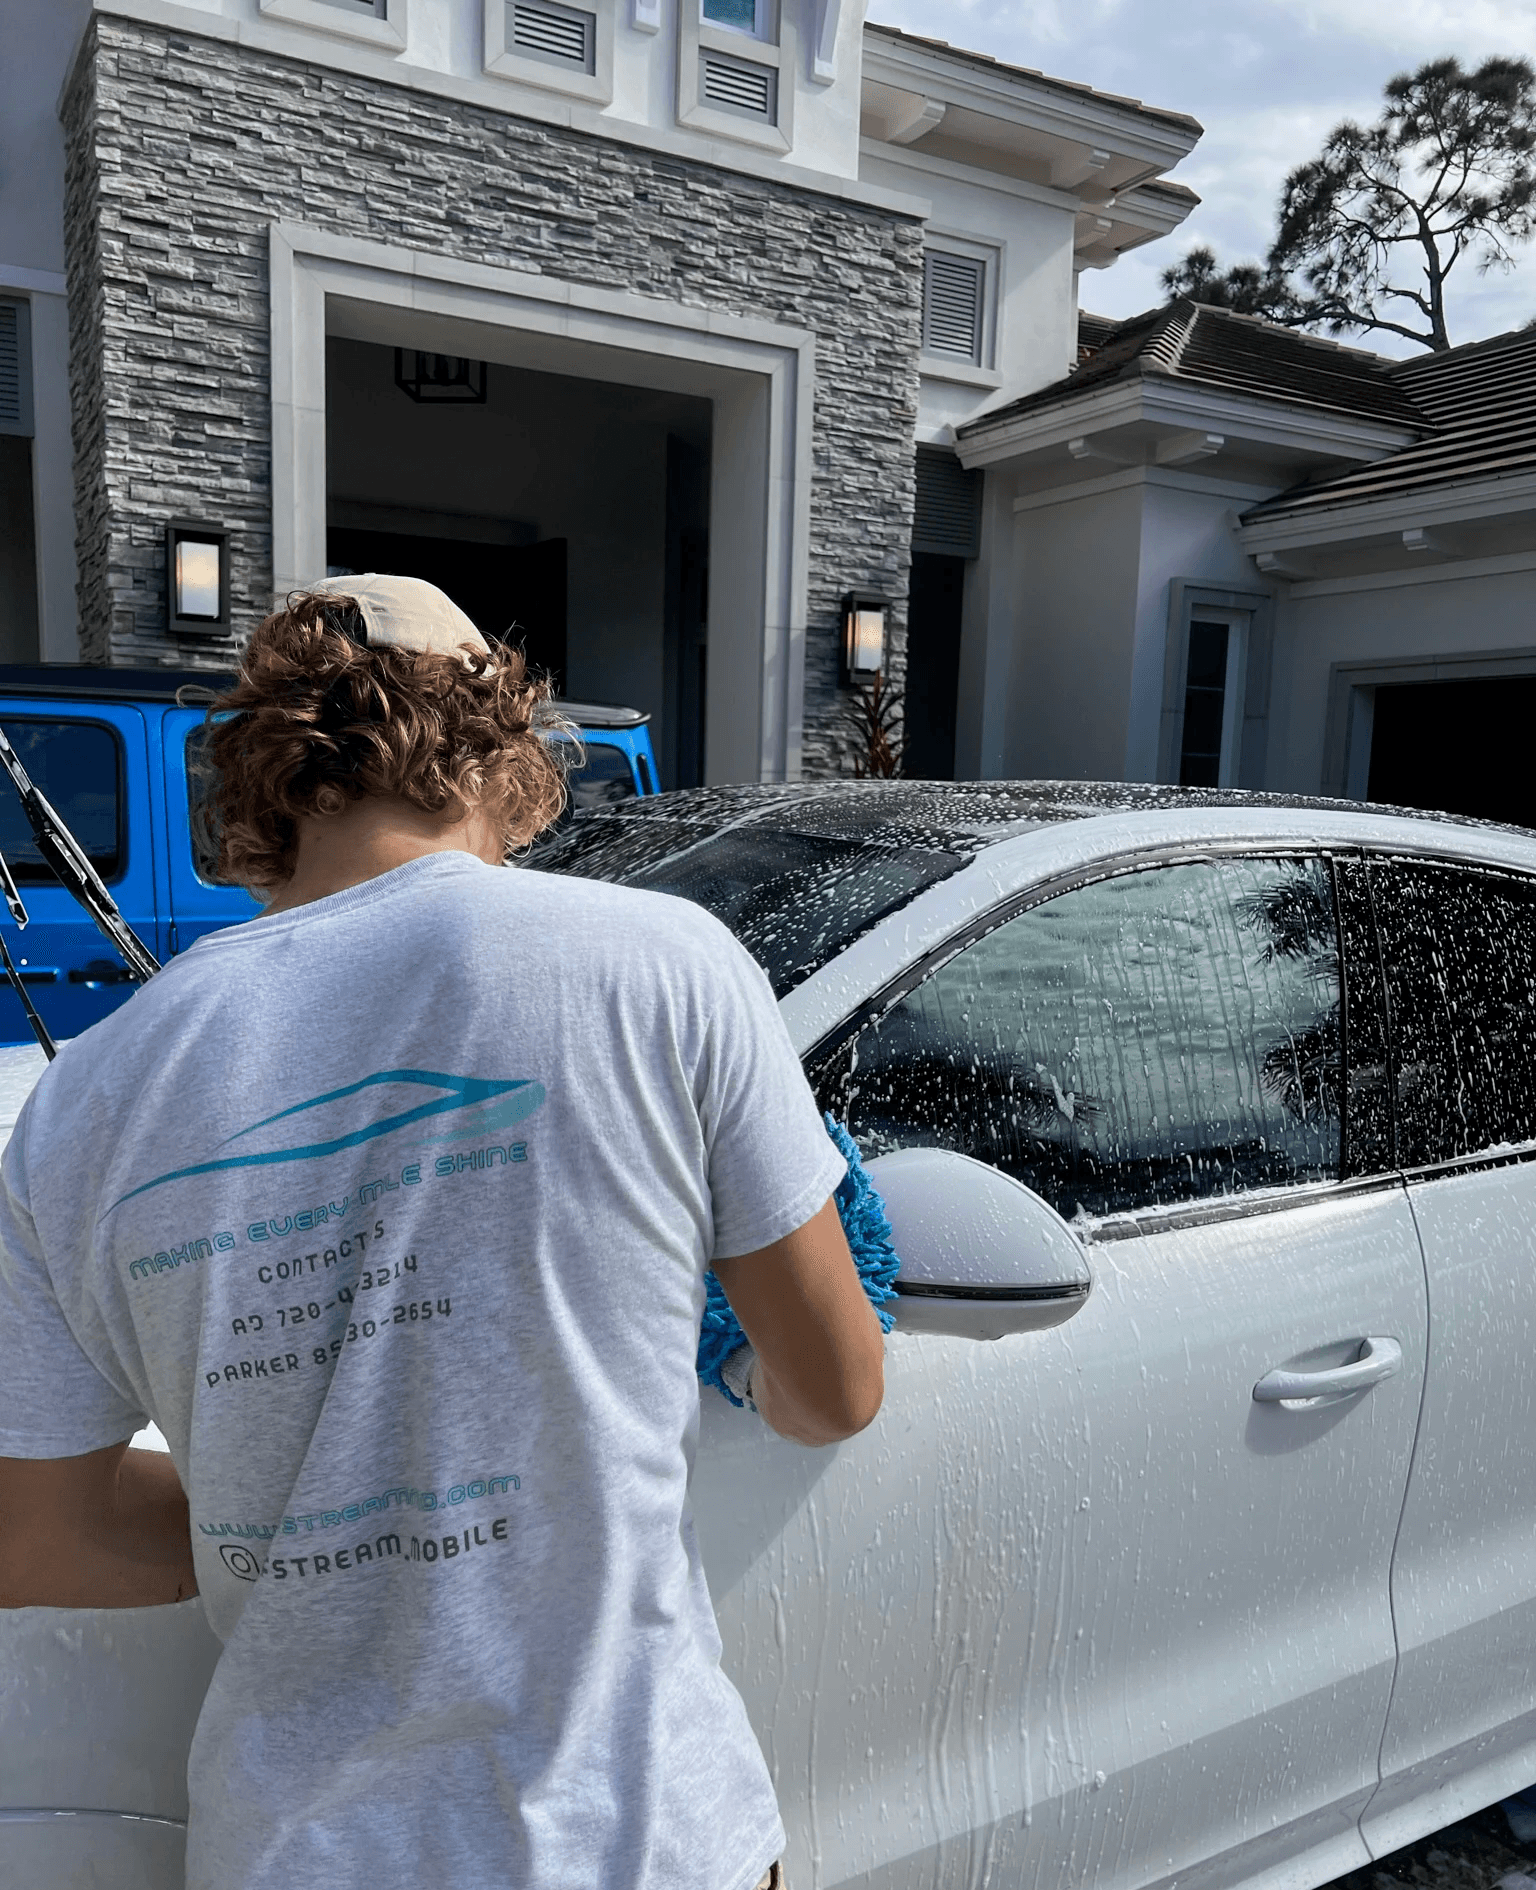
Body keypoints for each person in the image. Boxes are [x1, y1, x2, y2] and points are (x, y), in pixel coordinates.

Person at [0, 575, 885, 1890]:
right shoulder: (664, 966)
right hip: (644, 1838)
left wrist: (305, 1515)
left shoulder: (87, 1094)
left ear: (254, 781)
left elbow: (37, 1533)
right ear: (499, 740)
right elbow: (836, 1384)